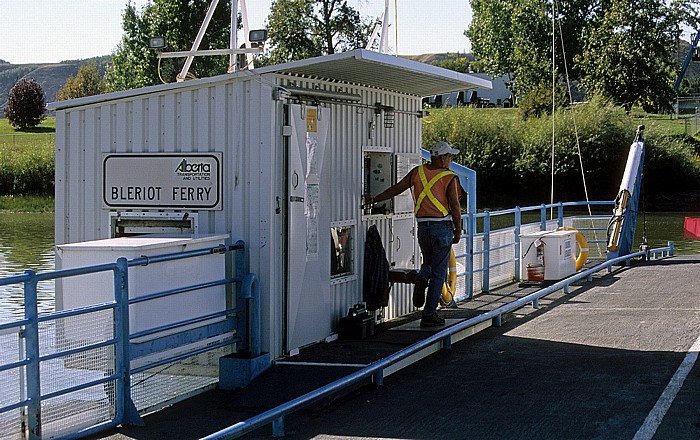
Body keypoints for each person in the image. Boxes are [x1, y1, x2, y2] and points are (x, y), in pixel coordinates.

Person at [363, 141, 462, 327]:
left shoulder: (418, 172)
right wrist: (458, 230)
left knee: (429, 263)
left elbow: (396, 189)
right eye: (449, 157)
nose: (450, 160)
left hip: (423, 227)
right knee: (439, 272)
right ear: (442, 158)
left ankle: (422, 278)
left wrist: (373, 200)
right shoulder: (449, 177)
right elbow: (455, 207)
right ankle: (429, 314)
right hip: (442, 227)